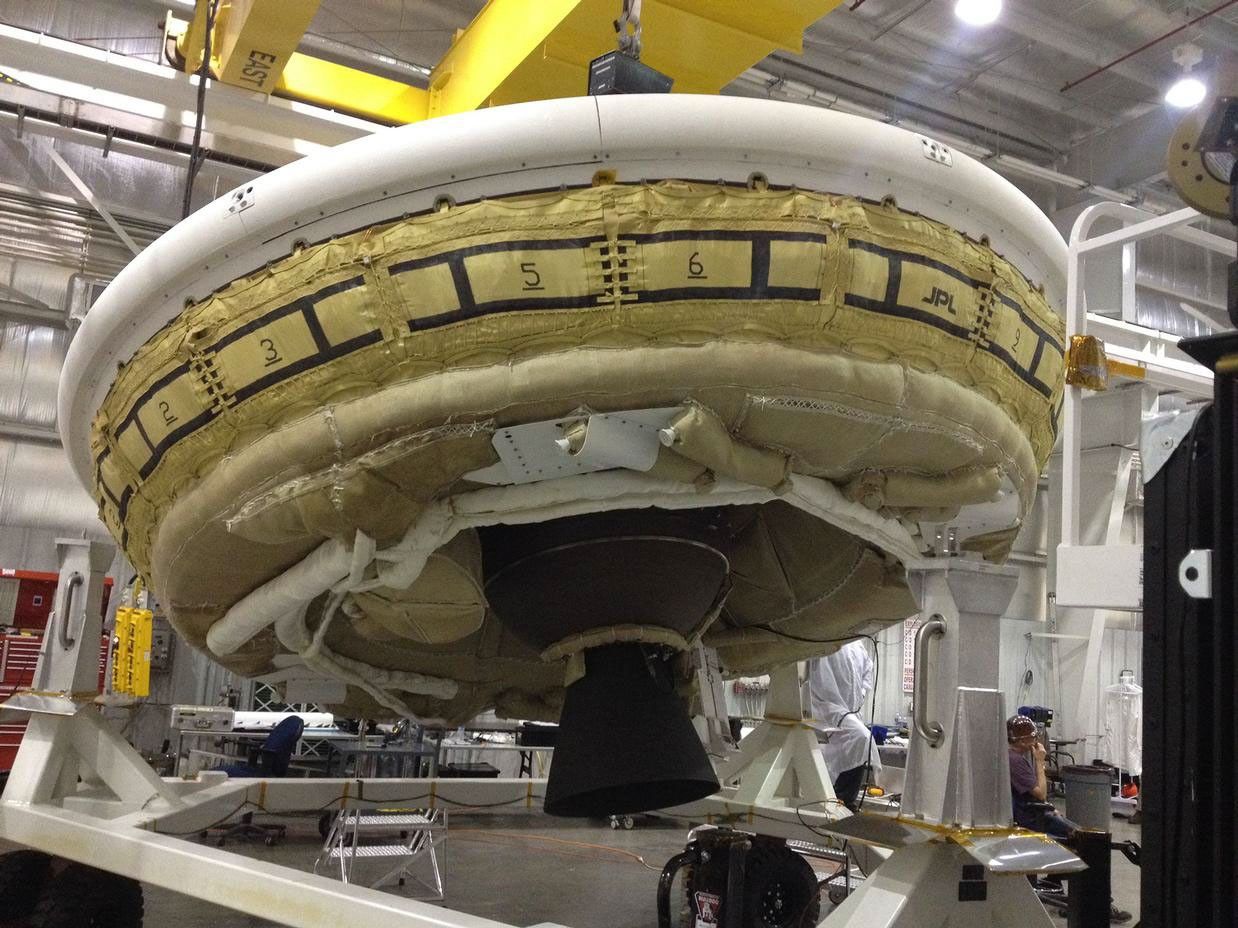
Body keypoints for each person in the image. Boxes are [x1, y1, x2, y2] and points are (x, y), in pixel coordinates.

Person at [807, 640, 881, 810]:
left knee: (860, 740)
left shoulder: (857, 644)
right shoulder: (822, 636)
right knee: (861, 737)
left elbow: (867, 672)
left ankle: (841, 799)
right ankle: (842, 799)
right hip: (823, 706)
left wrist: (860, 695)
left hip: (848, 710)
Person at [1007, 714, 1076, 839]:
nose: (1036, 741)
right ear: (1022, 741)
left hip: (1032, 811)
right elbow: (1041, 794)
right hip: (1030, 817)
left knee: (1075, 829)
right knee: (1080, 835)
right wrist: (1040, 761)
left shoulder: (1013, 757)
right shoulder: (1016, 761)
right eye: (1033, 737)